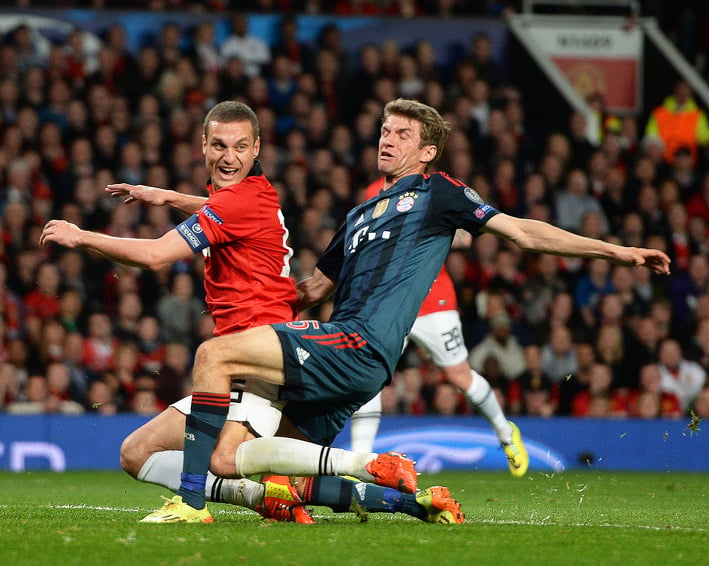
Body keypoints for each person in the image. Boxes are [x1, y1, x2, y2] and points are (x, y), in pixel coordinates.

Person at [122, 98, 669, 523]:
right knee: (255, 464)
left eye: (403, 133)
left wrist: (617, 251)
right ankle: (418, 501)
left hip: (360, 343)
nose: (388, 138)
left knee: (214, 356)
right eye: (386, 129)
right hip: (337, 351)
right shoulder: (360, 213)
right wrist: (241, 261)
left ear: (427, 152)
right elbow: (310, 289)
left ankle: (190, 503)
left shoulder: (439, 194)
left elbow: (522, 232)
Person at [41, 101, 443, 525]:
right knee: (136, 453)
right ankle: (405, 502)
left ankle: (206, 500)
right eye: (218, 145)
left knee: (226, 458)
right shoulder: (247, 198)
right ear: (203, 145)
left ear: (256, 149)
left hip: (255, 355)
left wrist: (81, 236)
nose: (228, 157)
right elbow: (219, 209)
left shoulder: (238, 203)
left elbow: (157, 255)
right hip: (248, 359)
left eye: (239, 147)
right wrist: (169, 197)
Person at [348, 179, 529, 478]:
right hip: (389, 302)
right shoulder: (371, 192)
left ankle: (506, 434)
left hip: (434, 300)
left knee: (460, 376)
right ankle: (357, 462)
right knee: (369, 374)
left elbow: (465, 238)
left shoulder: (433, 187)